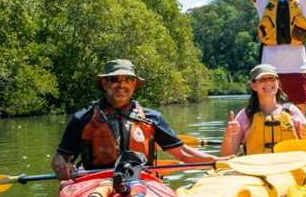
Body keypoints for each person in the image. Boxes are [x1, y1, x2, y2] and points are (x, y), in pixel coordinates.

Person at [51, 59, 224, 179]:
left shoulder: (152, 118)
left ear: (134, 84)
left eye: (128, 79)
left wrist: (218, 162)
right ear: (104, 84)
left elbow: (183, 153)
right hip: (94, 181)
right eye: (115, 79)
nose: (122, 84)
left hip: (142, 181)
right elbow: (60, 158)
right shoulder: (83, 118)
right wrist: (62, 167)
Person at [220, 64, 306, 156]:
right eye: (262, 80)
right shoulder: (246, 115)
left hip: (289, 166)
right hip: (256, 168)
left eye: (272, 79)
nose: (268, 83)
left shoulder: (292, 111)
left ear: (278, 83)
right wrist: (228, 136)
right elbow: (227, 155)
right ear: (253, 85)